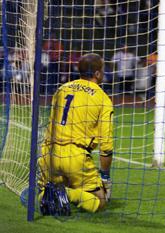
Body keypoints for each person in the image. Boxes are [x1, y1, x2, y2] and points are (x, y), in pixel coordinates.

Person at [38, 53, 114, 214]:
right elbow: (106, 145)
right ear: (98, 74)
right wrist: (105, 176)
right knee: (100, 201)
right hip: (76, 158)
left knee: (52, 188)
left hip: (48, 154)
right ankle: (63, 193)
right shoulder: (103, 98)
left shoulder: (61, 89)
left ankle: (46, 192)